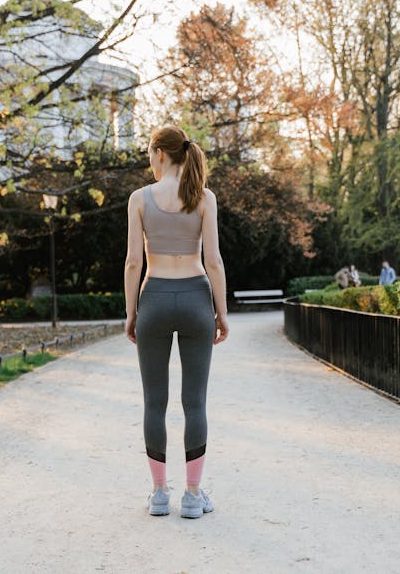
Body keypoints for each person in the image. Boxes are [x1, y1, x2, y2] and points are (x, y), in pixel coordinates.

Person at [124, 125, 229, 519]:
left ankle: (157, 495)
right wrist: (221, 312)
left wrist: (132, 311)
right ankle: (192, 495)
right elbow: (214, 261)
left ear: (160, 153)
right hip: (195, 298)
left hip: (154, 297)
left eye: (150, 154)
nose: (149, 161)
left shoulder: (138, 199)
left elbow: (134, 262)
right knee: (194, 402)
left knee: (155, 402)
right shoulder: (204, 198)